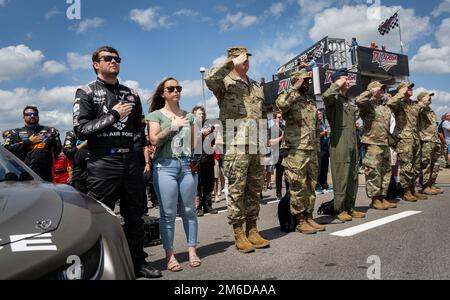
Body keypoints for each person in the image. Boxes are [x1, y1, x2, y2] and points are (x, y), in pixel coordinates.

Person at [73, 46, 161, 279]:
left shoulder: (130, 93)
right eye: (108, 58)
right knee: (101, 217)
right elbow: (81, 129)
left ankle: (137, 262)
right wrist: (113, 115)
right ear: (95, 64)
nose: (114, 62)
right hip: (103, 163)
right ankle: (98, 266)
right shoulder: (86, 92)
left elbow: (137, 132)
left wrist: (139, 157)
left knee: (136, 215)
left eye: (117, 59)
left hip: (130, 162)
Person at [205, 46, 270, 253]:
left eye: (247, 57)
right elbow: (209, 78)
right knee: (236, 190)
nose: (245, 60)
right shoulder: (224, 82)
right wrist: (230, 63)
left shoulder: (255, 86)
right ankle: (238, 232)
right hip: (236, 144)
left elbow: (261, 116)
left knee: (253, 189)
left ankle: (252, 229)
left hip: (255, 145)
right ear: (231, 59)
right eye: (241, 57)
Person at [147, 77, 201, 272]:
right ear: (163, 93)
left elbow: (195, 144)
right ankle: (170, 255)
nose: (176, 91)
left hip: (186, 165)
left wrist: (196, 132)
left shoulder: (190, 116)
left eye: (178, 88)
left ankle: (192, 250)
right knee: (168, 214)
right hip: (165, 167)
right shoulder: (155, 115)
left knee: (189, 211)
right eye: (171, 88)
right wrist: (172, 127)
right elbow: (154, 140)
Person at [276, 69, 325, 234]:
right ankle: (299, 220)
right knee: (298, 185)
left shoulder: (310, 101)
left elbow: (315, 127)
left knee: (311, 185)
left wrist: (317, 147)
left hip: (311, 149)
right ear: (296, 81)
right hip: (295, 150)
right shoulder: (290, 96)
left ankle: (309, 216)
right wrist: (294, 88)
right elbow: (281, 105)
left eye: (308, 81)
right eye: (304, 80)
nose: (307, 83)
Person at [322, 69, 366, 222]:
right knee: (341, 175)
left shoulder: (348, 100)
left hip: (352, 141)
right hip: (339, 141)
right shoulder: (333, 99)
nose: (348, 81)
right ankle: (339, 208)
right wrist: (336, 83)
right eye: (345, 79)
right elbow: (326, 96)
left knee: (352, 176)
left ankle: (350, 207)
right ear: (337, 81)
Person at [356, 81, 396, 210]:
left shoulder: (384, 107)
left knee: (385, 171)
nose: (382, 91)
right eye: (380, 90)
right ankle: (375, 199)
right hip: (372, 143)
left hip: (384, 142)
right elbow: (359, 100)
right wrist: (370, 92)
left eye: (383, 90)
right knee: (373, 172)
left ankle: (382, 197)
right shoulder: (368, 105)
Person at [387, 82, 429, 202]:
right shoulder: (399, 103)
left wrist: (425, 100)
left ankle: (412, 189)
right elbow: (390, 103)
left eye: (411, 88)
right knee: (406, 166)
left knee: (415, 165)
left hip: (414, 138)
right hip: (404, 138)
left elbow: (421, 108)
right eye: (408, 88)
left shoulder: (412, 104)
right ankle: (406, 191)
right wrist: (400, 93)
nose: (411, 89)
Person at [3, 106, 61, 182]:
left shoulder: (51, 131)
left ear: (38, 116)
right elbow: (6, 150)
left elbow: (57, 150)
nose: (32, 116)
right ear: (23, 117)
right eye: (28, 114)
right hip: (24, 174)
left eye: (35, 114)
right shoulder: (15, 133)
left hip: (45, 174)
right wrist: (29, 142)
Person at [192, 106, 218, 216]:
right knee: (198, 185)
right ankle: (198, 208)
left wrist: (213, 133)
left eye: (202, 114)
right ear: (194, 115)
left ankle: (208, 206)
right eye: (199, 114)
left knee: (209, 184)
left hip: (208, 159)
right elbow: (191, 142)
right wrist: (201, 134)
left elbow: (215, 136)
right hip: (197, 160)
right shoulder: (192, 126)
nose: (201, 116)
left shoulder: (208, 125)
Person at [418, 92, 444, 195]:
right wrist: (422, 102)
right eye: (427, 96)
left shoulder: (431, 111)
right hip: (426, 139)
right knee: (426, 164)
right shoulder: (419, 108)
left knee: (435, 164)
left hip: (434, 139)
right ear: (421, 98)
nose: (429, 98)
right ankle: (424, 186)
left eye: (430, 97)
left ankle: (431, 184)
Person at [270, 111, 288, 200]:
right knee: (279, 175)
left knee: (288, 174)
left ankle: (289, 192)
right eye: (278, 117)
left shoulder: (284, 127)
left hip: (286, 153)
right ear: (274, 119)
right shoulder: (272, 129)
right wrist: (281, 138)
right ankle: (278, 194)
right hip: (277, 153)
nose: (280, 119)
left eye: (281, 117)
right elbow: (270, 142)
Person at [316, 110, 331, 194]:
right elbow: (316, 135)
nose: (320, 115)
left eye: (320, 113)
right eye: (318, 114)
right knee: (320, 168)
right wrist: (324, 132)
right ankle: (317, 186)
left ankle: (324, 185)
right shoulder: (315, 124)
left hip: (325, 148)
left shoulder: (323, 123)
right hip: (319, 148)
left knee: (325, 168)